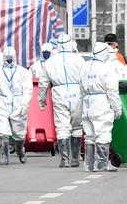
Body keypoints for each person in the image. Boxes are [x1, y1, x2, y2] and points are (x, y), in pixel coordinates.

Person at [39, 33, 85, 168]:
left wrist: (42, 100)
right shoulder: (79, 59)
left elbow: (43, 83)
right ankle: (75, 158)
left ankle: (65, 159)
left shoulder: (50, 62)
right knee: (77, 126)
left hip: (59, 93)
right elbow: (85, 78)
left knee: (62, 126)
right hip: (77, 93)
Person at [0, 46, 32, 165]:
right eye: (7, 58)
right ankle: (4, 156)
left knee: (19, 132)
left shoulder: (23, 72)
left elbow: (28, 90)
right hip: (2, 102)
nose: (9, 59)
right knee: (2, 130)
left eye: (10, 57)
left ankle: (20, 150)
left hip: (18, 103)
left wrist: (24, 104)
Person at [79, 42, 122, 172]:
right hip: (101, 103)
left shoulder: (85, 66)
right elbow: (112, 91)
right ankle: (102, 164)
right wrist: (117, 108)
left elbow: (80, 86)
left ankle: (89, 164)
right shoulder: (106, 69)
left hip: (87, 102)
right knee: (103, 132)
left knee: (89, 135)